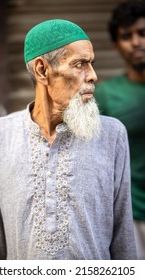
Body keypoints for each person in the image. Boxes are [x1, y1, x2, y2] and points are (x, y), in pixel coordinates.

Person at [0, 19, 137, 260]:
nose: (93, 76)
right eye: (79, 65)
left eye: (92, 64)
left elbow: (123, 237)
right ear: (42, 70)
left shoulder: (112, 135)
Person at [95, 0, 145, 259]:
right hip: (131, 214)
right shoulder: (106, 95)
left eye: (142, 33)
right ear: (116, 45)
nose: (136, 42)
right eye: (127, 36)